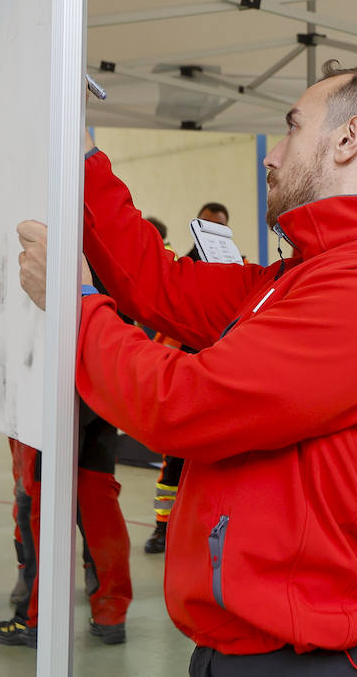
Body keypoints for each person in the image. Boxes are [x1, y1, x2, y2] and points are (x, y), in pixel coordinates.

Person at [15, 63, 357, 676]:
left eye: (293, 129)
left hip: (295, 658)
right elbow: (156, 283)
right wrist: (82, 149)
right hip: (245, 647)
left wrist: (74, 308)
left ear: (348, 141)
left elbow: (182, 404)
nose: (274, 155)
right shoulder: (303, 275)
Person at [0, 408, 133, 648]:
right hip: (94, 393)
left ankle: (32, 619)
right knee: (99, 502)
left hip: (46, 399)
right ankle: (110, 613)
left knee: (38, 503)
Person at [147, 202, 232, 556]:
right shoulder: (180, 269)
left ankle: (208, 530)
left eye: (219, 225)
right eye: (207, 224)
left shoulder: (234, 266)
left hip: (219, 382)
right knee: (173, 465)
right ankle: (162, 528)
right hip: (186, 378)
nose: (212, 230)